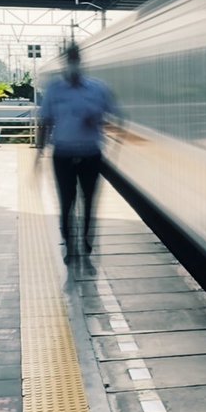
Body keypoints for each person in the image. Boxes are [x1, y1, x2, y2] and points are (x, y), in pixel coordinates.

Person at [37, 43, 120, 263]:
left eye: (76, 58)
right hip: (63, 154)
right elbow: (45, 120)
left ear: (81, 61)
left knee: (89, 199)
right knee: (66, 200)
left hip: (91, 154)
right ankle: (69, 241)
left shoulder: (98, 89)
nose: (74, 63)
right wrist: (39, 152)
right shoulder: (54, 89)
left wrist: (99, 121)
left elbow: (117, 119)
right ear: (66, 61)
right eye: (70, 58)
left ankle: (85, 239)